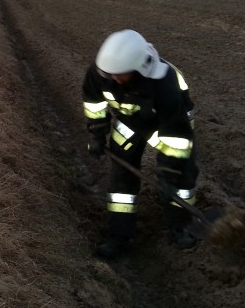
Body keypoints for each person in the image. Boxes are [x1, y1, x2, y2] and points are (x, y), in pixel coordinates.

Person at [82, 29, 199, 258]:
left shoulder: (165, 83)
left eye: (121, 74)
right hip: (130, 122)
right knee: (121, 181)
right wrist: (96, 136)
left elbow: (175, 132)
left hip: (170, 124)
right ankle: (120, 234)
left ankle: (180, 225)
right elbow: (94, 105)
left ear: (139, 69)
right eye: (110, 73)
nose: (114, 78)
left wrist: (168, 173)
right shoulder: (99, 74)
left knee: (183, 178)